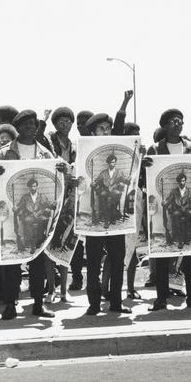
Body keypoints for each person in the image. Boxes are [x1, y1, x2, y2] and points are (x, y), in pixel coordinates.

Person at [0, 109, 62, 320]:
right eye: (25, 124)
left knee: (37, 262)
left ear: (37, 128)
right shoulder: (3, 154)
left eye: (33, 124)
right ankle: (10, 303)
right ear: (17, 127)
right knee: (11, 262)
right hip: (13, 218)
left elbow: (54, 184)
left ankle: (38, 303)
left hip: (38, 220)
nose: (30, 127)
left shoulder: (46, 154)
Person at [145, 108, 191, 311]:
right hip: (168, 210)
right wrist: (144, 165)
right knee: (164, 254)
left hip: (189, 211)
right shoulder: (155, 149)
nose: (179, 124)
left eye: (181, 121)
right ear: (164, 126)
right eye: (174, 121)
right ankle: (161, 299)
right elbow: (145, 178)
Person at [77, 112, 132, 316]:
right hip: (97, 214)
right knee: (93, 262)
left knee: (118, 260)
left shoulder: (117, 152)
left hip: (114, 214)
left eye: (108, 128)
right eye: (101, 128)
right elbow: (89, 182)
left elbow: (128, 178)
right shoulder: (84, 151)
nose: (106, 131)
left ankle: (116, 301)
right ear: (92, 132)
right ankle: (93, 303)